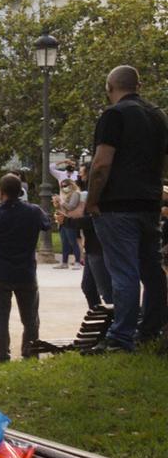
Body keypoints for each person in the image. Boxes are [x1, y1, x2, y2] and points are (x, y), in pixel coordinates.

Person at [85, 65, 168, 351]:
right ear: (138, 85)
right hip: (150, 202)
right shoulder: (158, 116)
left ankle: (120, 337)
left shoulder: (114, 115)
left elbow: (102, 163)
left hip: (117, 205)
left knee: (124, 272)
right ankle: (151, 329)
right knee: (152, 269)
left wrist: (92, 199)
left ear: (110, 87)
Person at [0, 173, 52, 364]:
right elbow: (47, 224)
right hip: (26, 273)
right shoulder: (33, 211)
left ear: (0, 192)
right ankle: (30, 352)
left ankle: (1, 356)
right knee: (31, 318)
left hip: (0, 274)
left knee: (0, 318)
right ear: (21, 191)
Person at [56, 178, 85, 268]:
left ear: (71, 185)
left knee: (73, 241)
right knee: (64, 242)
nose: (64, 188)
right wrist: (57, 204)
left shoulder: (75, 193)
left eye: (65, 186)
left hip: (71, 220)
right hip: (63, 219)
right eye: (62, 186)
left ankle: (77, 262)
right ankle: (64, 263)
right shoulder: (65, 195)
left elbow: (71, 207)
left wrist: (61, 202)